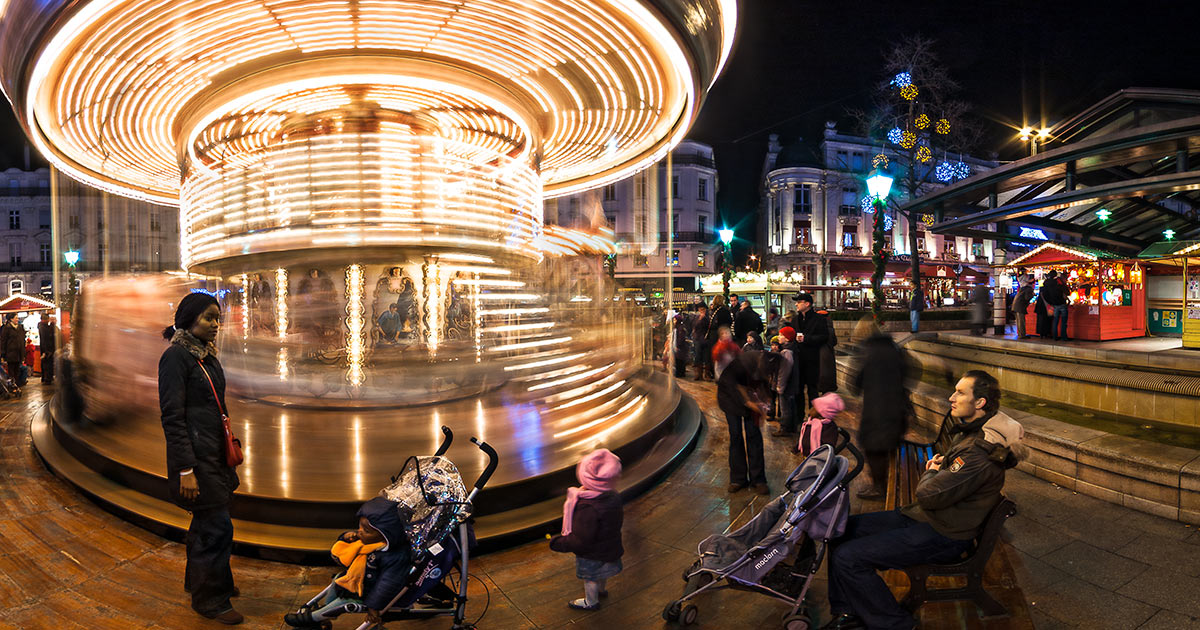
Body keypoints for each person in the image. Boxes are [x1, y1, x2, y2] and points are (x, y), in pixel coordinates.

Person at [823, 370, 1025, 630]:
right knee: (839, 531)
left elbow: (928, 495)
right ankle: (847, 613)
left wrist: (930, 471)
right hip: (927, 517)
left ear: (980, 403)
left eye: (960, 393)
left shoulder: (979, 452)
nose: (951, 397)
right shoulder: (971, 430)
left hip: (945, 533)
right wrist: (938, 472)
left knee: (848, 558)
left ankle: (897, 625)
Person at [158, 292, 242, 625]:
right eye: (209, 318)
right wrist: (186, 469)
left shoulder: (205, 357)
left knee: (207, 524)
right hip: (197, 459)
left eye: (217, 318)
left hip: (213, 453)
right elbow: (172, 416)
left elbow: (215, 408)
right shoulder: (177, 358)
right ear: (190, 319)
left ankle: (202, 582)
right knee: (216, 527)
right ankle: (211, 600)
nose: (215, 325)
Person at [284, 497, 414, 627]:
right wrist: (345, 537)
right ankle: (325, 611)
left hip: (369, 593)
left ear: (386, 535)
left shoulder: (395, 557)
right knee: (338, 579)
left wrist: (374, 606)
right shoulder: (369, 542)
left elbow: (387, 584)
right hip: (358, 581)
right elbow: (346, 549)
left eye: (366, 531)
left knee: (343, 603)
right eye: (360, 526)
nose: (359, 532)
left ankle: (312, 618)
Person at [549, 449, 624, 611]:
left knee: (591, 578)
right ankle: (602, 591)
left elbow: (580, 540)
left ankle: (591, 601)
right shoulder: (613, 496)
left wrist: (558, 543)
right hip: (610, 546)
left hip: (592, 554)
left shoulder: (588, 508)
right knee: (603, 573)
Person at [850, 319, 910, 500]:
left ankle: (880, 488)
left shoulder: (868, 352)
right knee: (885, 447)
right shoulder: (894, 348)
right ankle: (890, 482)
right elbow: (908, 371)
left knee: (873, 448)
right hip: (896, 407)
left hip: (877, 409)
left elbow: (856, 383)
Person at [717, 349, 780, 495]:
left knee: (754, 435)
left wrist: (765, 403)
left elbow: (764, 385)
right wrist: (748, 402)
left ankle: (758, 480)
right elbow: (733, 386)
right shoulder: (740, 365)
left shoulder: (762, 364)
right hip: (730, 399)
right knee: (736, 435)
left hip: (751, 399)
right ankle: (738, 479)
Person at [788, 293, 828, 426]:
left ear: (807, 304)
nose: (796, 304)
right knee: (798, 390)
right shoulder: (795, 320)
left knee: (812, 391)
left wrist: (807, 339)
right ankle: (799, 419)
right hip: (798, 360)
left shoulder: (819, 319)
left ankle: (814, 419)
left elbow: (824, 337)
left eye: (799, 302)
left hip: (812, 361)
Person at [799, 392, 844, 457]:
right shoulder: (811, 422)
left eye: (814, 408)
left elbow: (828, 447)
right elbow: (805, 436)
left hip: (814, 457)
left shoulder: (828, 427)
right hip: (812, 456)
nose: (811, 409)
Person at [775, 326, 801, 436]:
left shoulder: (786, 351)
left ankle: (785, 429)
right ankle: (792, 427)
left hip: (787, 385)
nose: (779, 337)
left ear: (787, 338)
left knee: (785, 407)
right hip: (792, 384)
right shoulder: (792, 348)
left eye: (781, 335)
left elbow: (784, 371)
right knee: (791, 406)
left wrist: (780, 386)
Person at [1041, 271, 1070, 341]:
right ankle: (1063, 337)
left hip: (1054, 304)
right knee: (1063, 322)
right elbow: (1067, 292)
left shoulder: (1046, 283)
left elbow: (1045, 294)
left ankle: (1055, 336)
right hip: (1062, 303)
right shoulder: (1058, 283)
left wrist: (1050, 302)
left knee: (1055, 321)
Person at [0, 313, 27, 387]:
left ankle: (17, 384)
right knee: (11, 370)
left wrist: (23, 353)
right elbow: (3, 341)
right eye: (16, 318)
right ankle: (12, 385)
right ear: (11, 319)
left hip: (19, 353)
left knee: (18, 370)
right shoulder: (6, 328)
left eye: (17, 318)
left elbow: (23, 340)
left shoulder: (20, 327)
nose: (17, 319)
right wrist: (3, 354)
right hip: (10, 353)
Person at [690, 304, 711, 381]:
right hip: (698, 339)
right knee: (698, 356)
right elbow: (693, 326)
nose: (702, 311)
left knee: (706, 357)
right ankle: (698, 374)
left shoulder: (708, 317)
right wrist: (699, 319)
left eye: (703, 309)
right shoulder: (695, 317)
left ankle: (706, 374)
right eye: (700, 309)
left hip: (705, 339)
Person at [39, 316, 58, 384]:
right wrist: (45, 351)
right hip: (47, 349)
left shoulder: (43, 326)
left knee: (46, 364)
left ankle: (46, 378)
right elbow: (46, 338)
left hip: (46, 349)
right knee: (48, 364)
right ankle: (47, 379)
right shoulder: (44, 327)